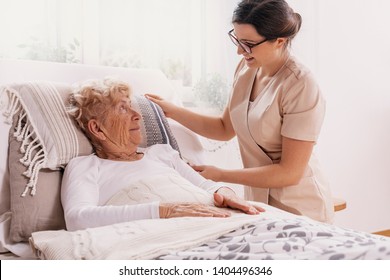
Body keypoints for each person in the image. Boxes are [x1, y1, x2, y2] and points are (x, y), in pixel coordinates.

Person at [146, 0, 334, 223]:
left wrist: (221, 175)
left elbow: (290, 172)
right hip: (259, 203)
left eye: (248, 44)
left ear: (279, 41)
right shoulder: (247, 68)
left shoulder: (301, 85)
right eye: (236, 39)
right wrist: (172, 111)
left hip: (300, 206)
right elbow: (224, 128)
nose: (239, 51)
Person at [61, 78, 263, 231]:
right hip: (170, 235)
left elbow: (206, 186)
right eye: (122, 108)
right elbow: (77, 218)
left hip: (220, 224)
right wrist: (164, 211)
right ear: (97, 128)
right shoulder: (85, 166)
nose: (137, 115)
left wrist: (227, 192)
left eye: (131, 105)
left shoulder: (163, 153)